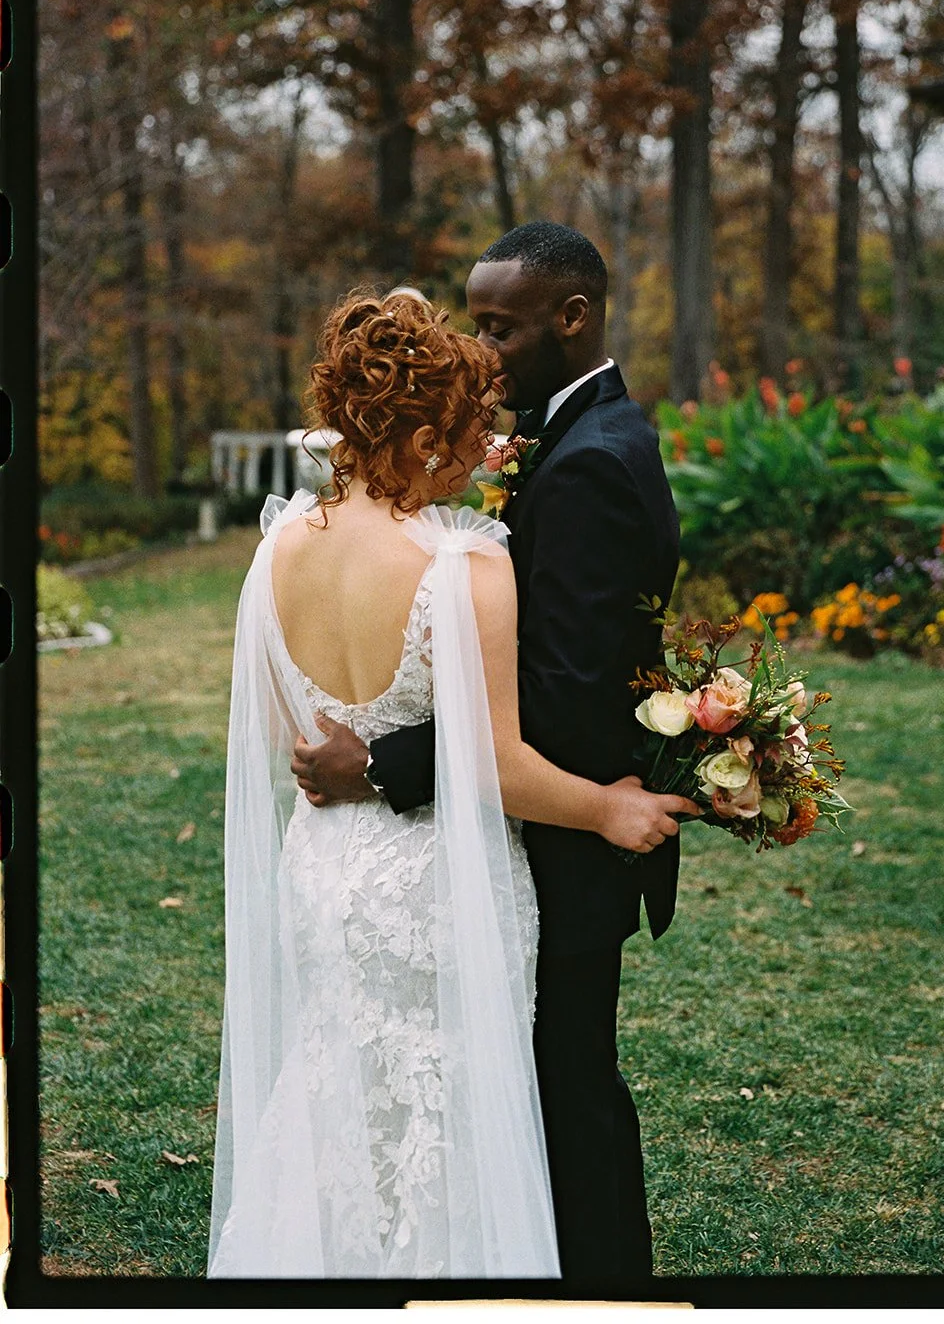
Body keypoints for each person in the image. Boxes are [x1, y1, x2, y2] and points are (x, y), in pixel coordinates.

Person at [208, 289, 693, 1280]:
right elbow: (496, 764)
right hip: (435, 883)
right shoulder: (464, 565)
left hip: (326, 869)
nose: (491, 449)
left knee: (340, 1090)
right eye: (476, 432)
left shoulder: (276, 550)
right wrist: (609, 807)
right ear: (426, 439)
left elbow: (285, 730)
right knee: (446, 1110)